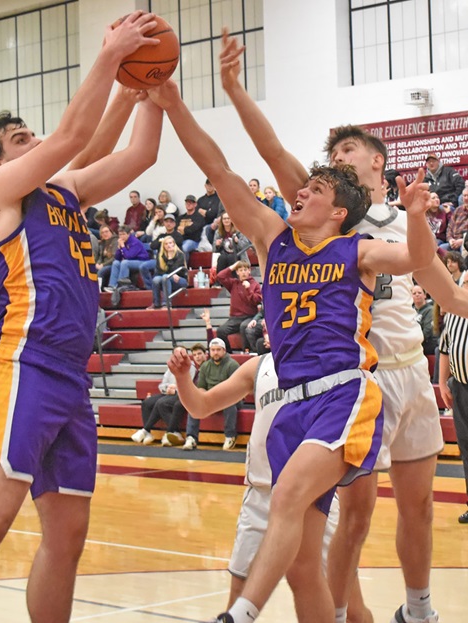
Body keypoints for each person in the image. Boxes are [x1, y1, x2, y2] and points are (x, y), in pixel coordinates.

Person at [147, 77, 435, 623]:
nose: (298, 194)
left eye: (314, 193)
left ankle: (241, 614)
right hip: (289, 403)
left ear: (336, 214)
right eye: (302, 190)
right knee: (305, 567)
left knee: (286, 501)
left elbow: (417, 261)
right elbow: (219, 170)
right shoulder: (272, 238)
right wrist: (173, 104)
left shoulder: (359, 249)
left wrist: (417, 216)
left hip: (342, 393)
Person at [0, 14, 162, 623]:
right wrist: (111, 57)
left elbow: (140, 152)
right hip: (23, 366)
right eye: (21, 138)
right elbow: (77, 131)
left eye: (31, 133)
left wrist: (155, 90)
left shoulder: (67, 193)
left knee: (68, 533)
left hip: (70, 379)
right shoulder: (3, 196)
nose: (35, 140)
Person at [218, 32, 457, 623]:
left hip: (410, 372)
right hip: (352, 378)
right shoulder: (328, 212)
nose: (333, 158)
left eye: (346, 149)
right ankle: (344, 612)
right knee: (350, 519)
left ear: (375, 158)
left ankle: (419, 610)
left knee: (420, 506)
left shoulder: (407, 217)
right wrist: (233, 88)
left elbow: (451, 296)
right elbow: (268, 143)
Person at [168, 350, 371, 623]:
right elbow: (201, 406)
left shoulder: (330, 358)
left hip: (316, 500)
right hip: (261, 497)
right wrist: (183, 379)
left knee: (352, 610)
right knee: (237, 605)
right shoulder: (258, 366)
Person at [438, 277, 468, 525]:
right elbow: (445, 348)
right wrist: (441, 382)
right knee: (466, 449)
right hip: (460, 388)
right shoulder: (452, 313)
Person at [180, 337, 241, 451]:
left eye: (218, 350)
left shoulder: (232, 365)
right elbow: (201, 387)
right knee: (194, 404)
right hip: (212, 398)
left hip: (231, 397)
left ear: (224, 350)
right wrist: (202, 397)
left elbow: (236, 388)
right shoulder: (205, 366)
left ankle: (230, 435)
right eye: (213, 350)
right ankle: (191, 437)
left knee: (230, 405)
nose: (215, 352)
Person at [130, 347, 199, 446]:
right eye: (176, 355)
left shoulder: (190, 367)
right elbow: (162, 384)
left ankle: (150, 430)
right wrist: (166, 389)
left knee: (162, 403)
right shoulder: (171, 368)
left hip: (181, 394)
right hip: (168, 392)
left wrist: (175, 389)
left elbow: (188, 384)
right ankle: (150, 433)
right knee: (147, 402)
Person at [215, 260, 262, 353]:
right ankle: (228, 353)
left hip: (249, 316)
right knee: (220, 331)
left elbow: (257, 301)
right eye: (240, 270)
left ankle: (247, 351)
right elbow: (220, 276)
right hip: (234, 318)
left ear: (249, 271)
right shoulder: (233, 283)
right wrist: (233, 266)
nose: (243, 272)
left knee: (244, 326)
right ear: (237, 272)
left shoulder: (255, 284)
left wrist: (248, 289)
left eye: (245, 270)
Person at [147, 236, 188, 310]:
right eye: (166, 244)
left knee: (166, 276)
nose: (169, 245)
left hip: (180, 279)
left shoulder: (180, 254)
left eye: (170, 243)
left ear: (174, 244)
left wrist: (170, 258)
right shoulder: (161, 256)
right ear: (163, 246)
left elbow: (176, 268)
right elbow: (159, 271)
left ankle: (166, 303)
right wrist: (168, 257)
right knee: (156, 279)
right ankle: (156, 303)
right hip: (166, 278)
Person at [105, 225, 150, 291]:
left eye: (124, 234)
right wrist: (119, 248)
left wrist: (123, 246)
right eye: (120, 235)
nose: (121, 237)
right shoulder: (122, 242)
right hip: (131, 261)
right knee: (116, 263)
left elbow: (129, 256)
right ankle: (112, 286)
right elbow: (117, 258)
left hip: (142, 261)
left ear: (128, 234)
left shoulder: (135, 242)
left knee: (125, 263)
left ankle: (121, 286)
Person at [411, 285, 438, 356]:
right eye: (414, 293)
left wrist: (412, 343)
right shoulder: (410, 311)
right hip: (414, 349)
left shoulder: (430, 310)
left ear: (425, 295)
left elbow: (427, 331)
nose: (417, 295)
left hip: (428, 350)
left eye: (419, 293)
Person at [94, 224, 118, 291]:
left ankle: (98, 290)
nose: (105, 234)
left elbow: (114, 258)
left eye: (106, 231)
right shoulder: (102, 243)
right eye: (102, 232)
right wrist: (98, 264)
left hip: (111, 264)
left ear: (111, 232)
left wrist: (103, 265)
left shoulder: (115, 241)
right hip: (103, 264)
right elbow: (100, 257)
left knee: (101, 272)